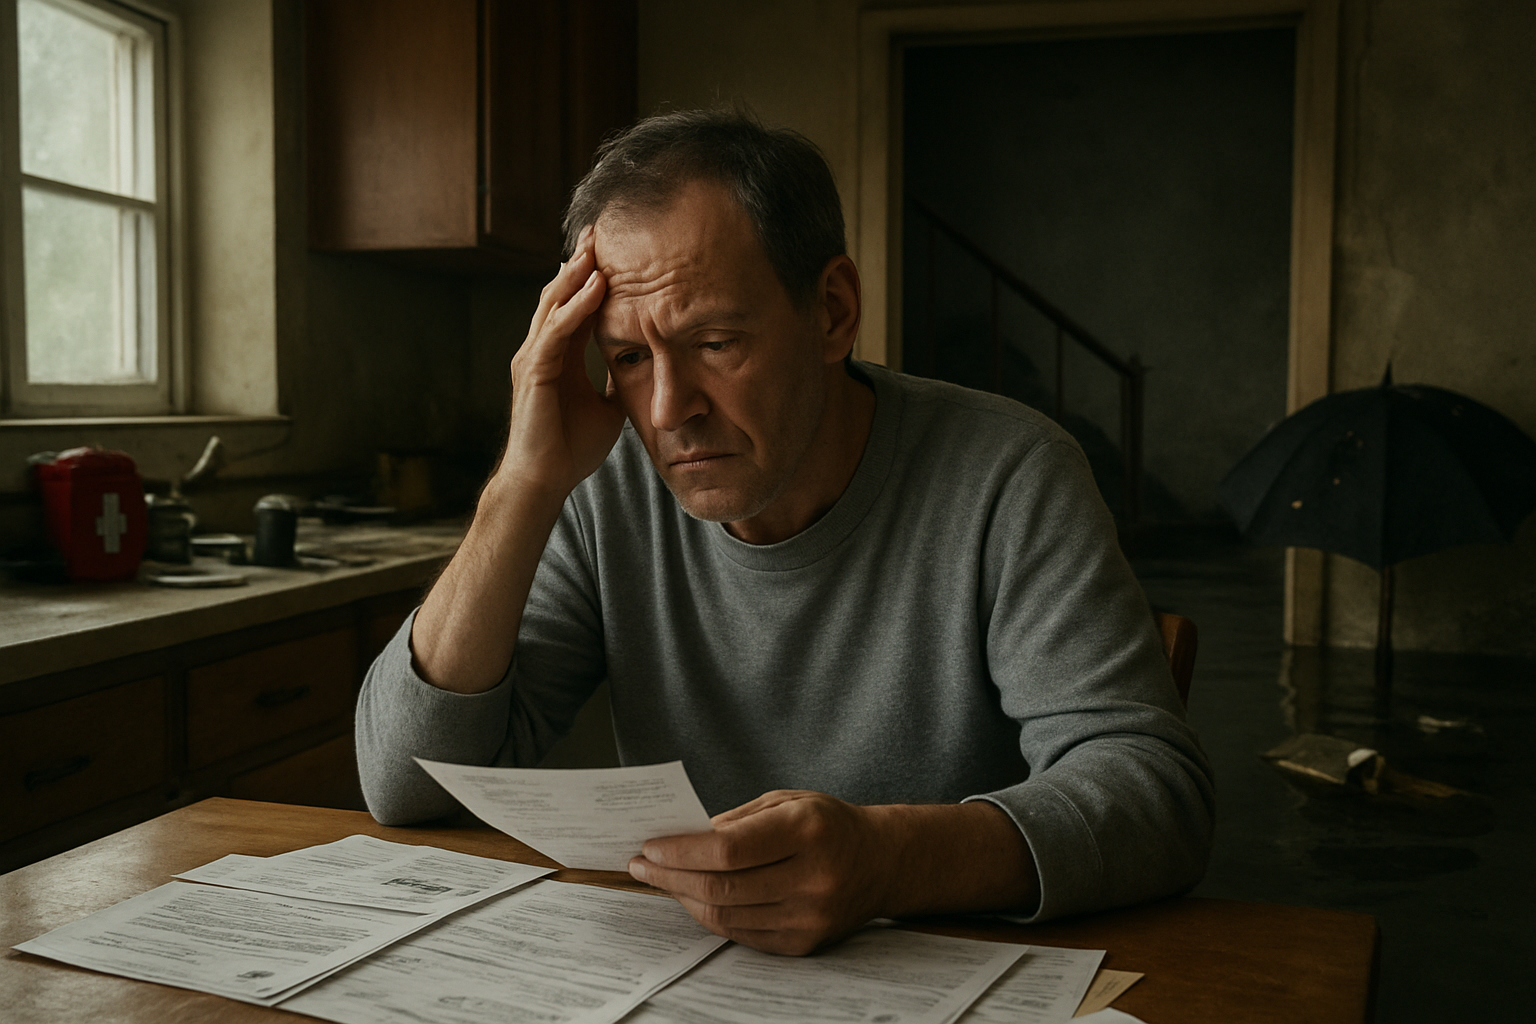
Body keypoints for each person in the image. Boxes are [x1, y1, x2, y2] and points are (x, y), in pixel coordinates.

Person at [356, 109, 1214, 956]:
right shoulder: (600, 484)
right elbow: (403, 783)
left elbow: (1155, 794)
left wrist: (890, 861)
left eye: (716, 341)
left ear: (833, 311)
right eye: (628, 357)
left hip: (945, 975)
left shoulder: (1012, 473)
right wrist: (521, 483)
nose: (668, 412)